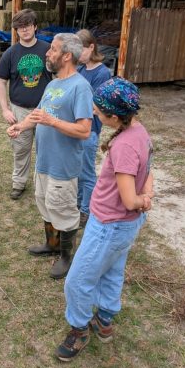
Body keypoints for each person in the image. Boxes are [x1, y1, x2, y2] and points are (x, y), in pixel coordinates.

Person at [57, 77, 154, 362]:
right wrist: (148, 192)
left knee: (77, 280)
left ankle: (79, 327)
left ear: (114, 116)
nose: (95, 113)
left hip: (109, 225)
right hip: (124, 227)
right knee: (111, 271)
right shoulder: (140, 131)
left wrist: (143, 200)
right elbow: (149, 170)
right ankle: (105, 319)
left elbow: (128, 200)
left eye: (98, 111)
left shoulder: (123, 145)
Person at [8, 33, 93, 279]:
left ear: (67, 56)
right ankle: (52, 245)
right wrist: (20, 126)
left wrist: (53, 121)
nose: (47, 53)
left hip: (63, 166)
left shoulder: (80, 87)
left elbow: (85, 130)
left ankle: (67, 257)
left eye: (53, 50)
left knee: (64, 210)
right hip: (44, 162)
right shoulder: (53, 84)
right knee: (45, 202)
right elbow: (38, 114)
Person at [0, 8, 52, 199]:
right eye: (20, 27)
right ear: (16, 30)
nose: (24, 30)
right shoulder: (10, 53)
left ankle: (43, 186)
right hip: (19, 109)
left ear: (35, 27)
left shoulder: (47, 50)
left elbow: (59, 77)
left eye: (27, 26)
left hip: (45, 109)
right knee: (21, 149)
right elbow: (1, 81)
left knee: (46, 150)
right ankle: (19, 183)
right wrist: (5, 109)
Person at [74, 29, 112, 224]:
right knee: (77, 169)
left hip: (89, 130)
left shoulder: (102, 72)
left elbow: (94, 104)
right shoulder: (80, 69)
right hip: (76, 128)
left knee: (86, 171)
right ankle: (79, 203)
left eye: (81, 49)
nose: (78, 54)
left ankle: (87, 210)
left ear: (91, 47)